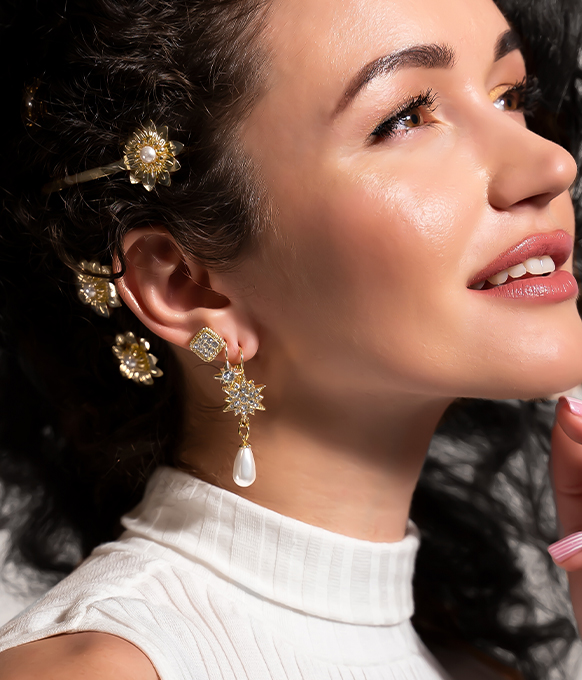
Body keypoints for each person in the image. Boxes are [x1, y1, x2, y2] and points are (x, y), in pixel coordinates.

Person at [0, 0, 582, 677]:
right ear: (188, 288)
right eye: (405, 118)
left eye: (510, 95)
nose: (550, 165)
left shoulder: (477, 666)